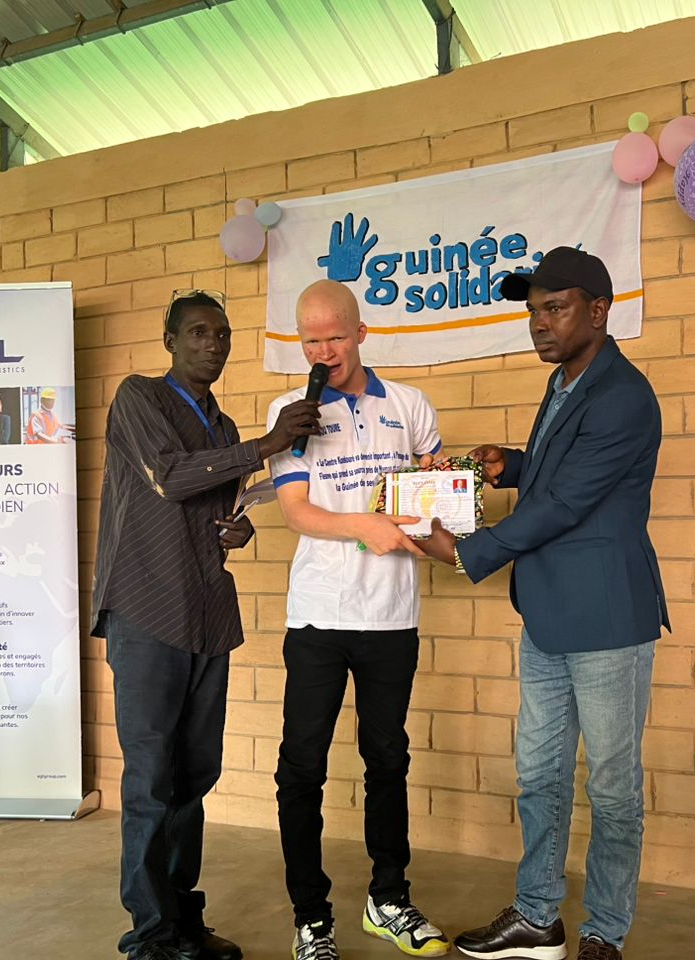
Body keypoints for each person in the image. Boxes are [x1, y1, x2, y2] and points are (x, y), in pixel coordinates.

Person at [417, 248, 669, 960]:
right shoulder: (564, 381)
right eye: (533, 310)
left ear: (599, 310)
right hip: (549, 614)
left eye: (554, 308)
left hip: (608, 621)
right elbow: (561, 475)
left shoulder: (623, 394)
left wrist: (468, 552)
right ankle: (536, 918)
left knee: (612, 789)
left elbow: (565, 503)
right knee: (540, 776)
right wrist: (512, 464)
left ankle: (604, 932)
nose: (539, 323)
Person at [91, 290, 323, 960]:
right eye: (197, 332)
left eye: (221, 335)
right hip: (147, 610)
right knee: (150, 780)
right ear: (170, 340)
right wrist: (269, 444)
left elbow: (212, 503)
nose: (212, 345)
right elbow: (167, 477)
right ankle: (150, 934)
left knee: (193, 777)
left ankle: (182, 919)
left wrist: (236, 528)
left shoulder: (220, 425)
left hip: (206, 615)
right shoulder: (139, 397)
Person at [266, 279, 449, 960]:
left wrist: (446, 503)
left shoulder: (409, 405)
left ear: (361, 333)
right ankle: (311, 916)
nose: (323, 351)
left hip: (392, 616)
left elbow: (432, 492)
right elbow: (297, 512)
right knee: (301, 768)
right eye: (310, 340)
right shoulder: (289, 412)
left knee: (388, 759)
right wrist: (363, 526)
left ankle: (389, 898)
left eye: (335, 337)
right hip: (318, 615)